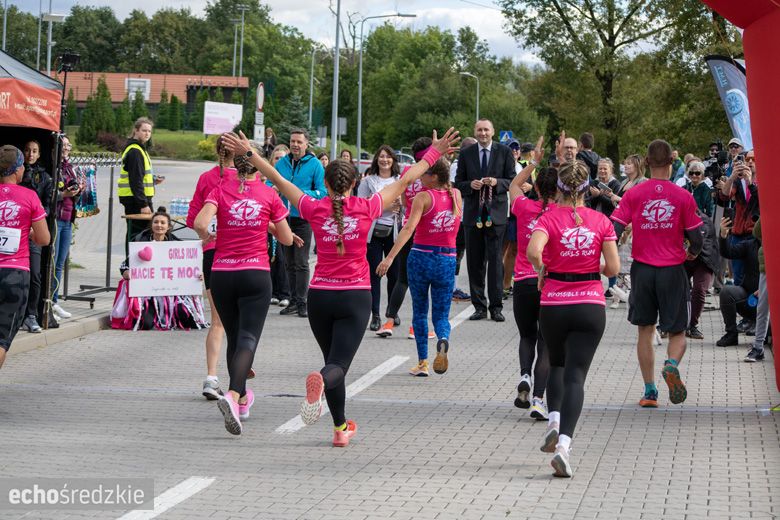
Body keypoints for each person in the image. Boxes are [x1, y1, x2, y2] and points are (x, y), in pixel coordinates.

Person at [223, 126, 459, 446]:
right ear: (354, 184)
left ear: (325, 183)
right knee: (336, 366)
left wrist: (247, 153)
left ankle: (340, 428)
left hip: (320, 296)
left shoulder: (313, 207)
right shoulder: (367, 207)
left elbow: (279, 180)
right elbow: (405, 180)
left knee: (334, 361)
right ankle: (321, 384)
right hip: (355, 296)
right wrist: (435, 153)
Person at [194, 140, 294, 436]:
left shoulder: (218, 190)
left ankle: (241, 401)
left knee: (235, 337)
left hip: (222, 272)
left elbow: (200, 222)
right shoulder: (268, 193)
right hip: (255, 272)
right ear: (258, 167)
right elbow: (287, 239)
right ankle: (234, 395)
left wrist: (210, 235)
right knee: (248, 338)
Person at [527, 159, 619, 478]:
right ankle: (564, 446)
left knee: (557, 363)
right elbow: (615, 268)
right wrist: (595, 269)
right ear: (586, 187)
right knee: (576, 376)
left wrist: (543, 269)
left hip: (554, 302)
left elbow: (532, 251)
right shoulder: (600, 221)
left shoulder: (548, 217)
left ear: (560, 189)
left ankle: (552, 420)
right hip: (589, 304)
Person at [611, 139, 703, 408]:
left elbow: (614, 229)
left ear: (647, 163)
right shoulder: (683, 196)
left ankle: (650, 391)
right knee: (678, 332)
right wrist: (692, 254)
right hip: (673, 270)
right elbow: (697, 239)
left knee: (645, 330)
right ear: (672, 164)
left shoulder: (634, 194)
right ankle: (671, 364)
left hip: (642, 270)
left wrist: (610, 256)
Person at [377, 155, 462, 377]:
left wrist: (390, 258)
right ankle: (443, 338)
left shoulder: (423, 197)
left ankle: (423, 362)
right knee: (442, 314)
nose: (420, 178)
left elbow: (408, 229)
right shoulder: (456, 195)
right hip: (447, 258)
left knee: (420, 310)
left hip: (421, 257)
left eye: (424, 174)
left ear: (433, 177)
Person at [508, 137, 556, 419]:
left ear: (536, 187)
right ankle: (538, 399)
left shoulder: (525, 207)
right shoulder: (561, 215)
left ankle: (524, 374)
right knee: (546, 343)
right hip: (549, 284)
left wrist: (533, 163)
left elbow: (514, 186)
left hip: (523, 282)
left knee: (526, 336)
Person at [186, 135, 237, 400]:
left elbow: (193, 217)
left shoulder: (206, 178)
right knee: (240, 323)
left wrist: (206, 236)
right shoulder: (246, 179)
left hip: (212, 254)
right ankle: (238, 379)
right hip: (241, 255)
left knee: (217, 321)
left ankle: (211, 377)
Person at [454, 119, 516, 322]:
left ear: (493, 132)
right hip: (473, 214)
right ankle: (479, 306)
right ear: (475, 131)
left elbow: (512, 181)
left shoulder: (504, 152)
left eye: (486, 130)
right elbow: (458, 184)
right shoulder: (466, 153)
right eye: (479, 130)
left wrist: (497, 182)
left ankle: (496, 307)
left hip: (496, 214)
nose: (482, 133)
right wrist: (469, 185)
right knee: (475, 262)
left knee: (496, 261)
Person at [379, 136, 437, 341]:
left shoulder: (407, 172)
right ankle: (416, 326)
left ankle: (388, 321)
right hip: (425, 233)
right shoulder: (432, 175)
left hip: (406, 229)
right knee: (422, 282)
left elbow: (403, 201)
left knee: (402, 279)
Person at [115, 207, 207, 331]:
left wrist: (198, 274)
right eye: (156, 222)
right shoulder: (140, 242)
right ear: (151, 224)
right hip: (148, 295)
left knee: (185, 317)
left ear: (168, 227)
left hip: (172, 294)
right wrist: (126, 272)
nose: (159, 225)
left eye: (162, 223)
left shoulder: (177, 244)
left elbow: (188, 265)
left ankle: (172, 314)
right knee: (146, 324)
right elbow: (125, 265)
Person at [0, 145, 50, 369]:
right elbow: (44, 239)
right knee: (1, 341)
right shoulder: (29, 196)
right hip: (15, 275)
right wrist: (28, 232)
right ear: (17, 169)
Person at [275, 128, 327, 318]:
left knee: (301, 261)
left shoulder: (314, 165)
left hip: (303, 218)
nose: (295, 145)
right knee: (289, 262)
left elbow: (323, 192)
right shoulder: (282, 163)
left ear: (306, 144)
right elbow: (269, 183)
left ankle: (303, 301)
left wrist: (300, 193)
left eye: (299, 142)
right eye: (293, 141)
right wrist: (271, 188)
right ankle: (293, 301)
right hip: (283, 218)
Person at [358, 145, 402, 331]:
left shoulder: (400, 180)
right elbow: (361, 206)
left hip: (395, 233)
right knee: (374, 276)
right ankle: (374, 314)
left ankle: (392, 312)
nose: (385, 160)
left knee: (395, 275)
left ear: (393, 160)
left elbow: (409, 206)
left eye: (388, 157)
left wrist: (401, 206)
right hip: (373, 234)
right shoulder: (368, 181)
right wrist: (384, 208)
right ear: (376, 160)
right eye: (381, 157)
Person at [20, 140, 53, 333]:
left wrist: (35, 224)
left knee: (34, 273)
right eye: (27, 150)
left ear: (39, 154)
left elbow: (47, 207)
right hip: (14, 231)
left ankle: (31, 315)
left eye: (34, 151)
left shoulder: (45, 178)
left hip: (33, 231)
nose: (30, 154)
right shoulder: (13, 174)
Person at [715, 216, 759, 347]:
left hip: (770, 304)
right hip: (750, 299)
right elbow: (728, 252)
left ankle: (765, 333)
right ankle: (731, 334)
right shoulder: (751, 244)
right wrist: (723, 235)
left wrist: (767, 289)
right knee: (727, 292)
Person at [50, 135, 80, 321]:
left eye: (69, 145)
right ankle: (48, 302)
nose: (67, 148)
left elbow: (71, 191)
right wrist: (64, 194)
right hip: (56, 218)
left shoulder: (69, 167)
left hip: (68, 220)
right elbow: (50, 195)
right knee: (52, 263)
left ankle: (55, 301)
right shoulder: (52, 167)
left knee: (60, 263)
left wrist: (78, 190)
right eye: (64, 145)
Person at [119, 117, 156, 257]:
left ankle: (134, 265)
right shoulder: (135, 151)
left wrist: (152, 181)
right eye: (144, 130)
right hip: (137, 200)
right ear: (136, 131)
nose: (147, 134)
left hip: (136, 198)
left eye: (149, 131)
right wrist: (143, 204)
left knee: (137, 233)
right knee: (137, 234)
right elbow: (135, 180)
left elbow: (140, 176)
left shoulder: (139, 149)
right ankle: (132, 266)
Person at [448, 137, 476, 302]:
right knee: (456, 252)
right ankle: (451, 288)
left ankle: (453, 287)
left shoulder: (467, 165)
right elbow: (453, 190)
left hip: (467, 215)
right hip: (459, 215)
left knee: (460, 252)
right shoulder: (456, 166)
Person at [684, 210, 719, 340]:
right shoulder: (674, 216)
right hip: (684, 257)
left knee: (699, 290)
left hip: (704, 258)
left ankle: (692, 325)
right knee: (675, 287)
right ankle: (668, 323)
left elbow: (698, 241)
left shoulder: (702, 220)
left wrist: (689, 251)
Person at [269, 145, 291, 308]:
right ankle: (274, 292)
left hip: (286, 219)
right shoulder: (268, 177)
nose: (279, 161)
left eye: (283, 158)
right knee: (272, 255)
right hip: (269, 220)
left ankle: (285, 292)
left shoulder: (289, 177)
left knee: (284, 257)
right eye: (276, 158)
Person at [745, 218, 768, 362]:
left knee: (764, 309)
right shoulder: (771, 207)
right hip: (767, 265)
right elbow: (757, 231)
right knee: (763, 308)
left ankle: (759, 347)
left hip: (768, 263)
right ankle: (758, 347)